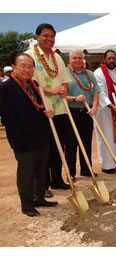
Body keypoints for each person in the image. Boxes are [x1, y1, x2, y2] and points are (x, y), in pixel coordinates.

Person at [0, 53, 58, 217]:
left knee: (40, 170)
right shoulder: (6, 88)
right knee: (26, 173)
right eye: (23, 66)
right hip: (23, 139)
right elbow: (8, 117)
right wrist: (18, 140)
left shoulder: (33, 84)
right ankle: (27, 205)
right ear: (14, 67)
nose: (27, 69)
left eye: (30, 66)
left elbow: (37, 105)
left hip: (41, 135)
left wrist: (45, 111)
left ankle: (39, 197)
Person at [25, 23, 72, 194]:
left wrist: (64, 88)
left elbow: (65, 79)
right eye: (45, 35)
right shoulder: (29, 57)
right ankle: (42, 185)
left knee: (59, 146)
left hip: (60, 109)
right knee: (43, 148)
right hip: (42, 109)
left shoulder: (57, 57)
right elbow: (28, 84)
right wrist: (50, 91)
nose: (49, 39)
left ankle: (57, 180)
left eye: (52, 36)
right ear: (37, 37)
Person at [65, 50, 99, 181]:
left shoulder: (90, 74)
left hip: (86, 112)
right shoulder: (65, 74)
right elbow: (61, 96)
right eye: (74, 58)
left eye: (80, 58)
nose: (77, 60)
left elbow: (96, 92)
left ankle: (86, 169)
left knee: (86, 142)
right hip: (71, 113)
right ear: (69, 60)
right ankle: (71, 172)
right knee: (71, 144)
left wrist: (94, 106)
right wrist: (74, 98)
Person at [94, 50, 116, 174]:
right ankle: (108, 164)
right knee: (107, 136)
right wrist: (111, 105)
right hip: (105, 112)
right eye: (109, 58)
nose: (112, 61)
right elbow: (100, 92)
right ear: (104, 59)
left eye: (114, 58)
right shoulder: (98, 73)